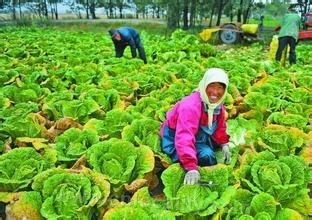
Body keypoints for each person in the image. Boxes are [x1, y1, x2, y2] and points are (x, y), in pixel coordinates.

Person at [160, 68, 231, 185]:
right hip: (175, 138)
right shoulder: (190, 106)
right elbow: (184, 137)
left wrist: (224, 144)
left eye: (220, 87)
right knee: (207, 155)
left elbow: (220, 127)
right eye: (212, 86)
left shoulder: (217, 105)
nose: (215, 92)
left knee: (219, 148)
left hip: (200, 135)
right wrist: (191, 167)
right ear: (204, 85)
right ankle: (197, 175)